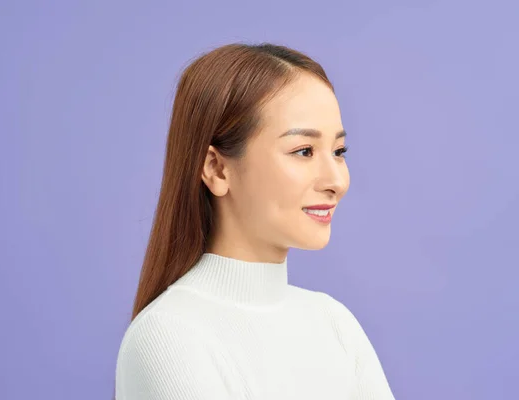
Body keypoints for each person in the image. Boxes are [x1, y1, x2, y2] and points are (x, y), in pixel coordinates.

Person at [114, 42, 395, 400]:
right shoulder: (168, 336)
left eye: (339, 152)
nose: (336, 181)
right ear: (216, 168)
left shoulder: (335, 324)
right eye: (303, 151)